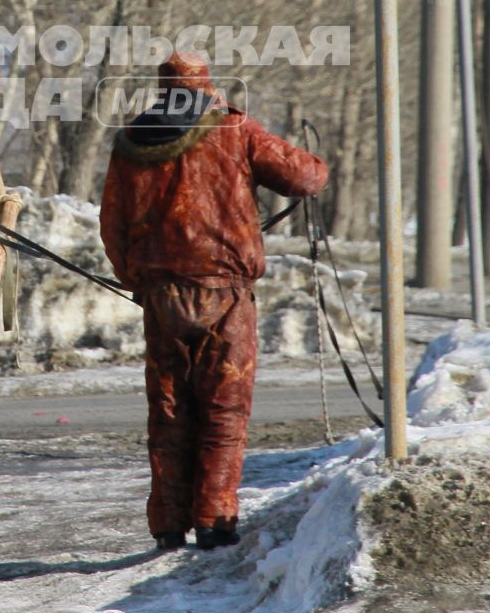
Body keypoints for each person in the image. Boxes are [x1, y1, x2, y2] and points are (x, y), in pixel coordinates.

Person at [99, 53, 328, 553]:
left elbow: (112, 224)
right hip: (225, 295)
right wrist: (315, 160)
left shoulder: (133, 140)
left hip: (161, 297)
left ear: (163, 89)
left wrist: (135, 279)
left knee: (169, 412)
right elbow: (307, 179)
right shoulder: (235, 129)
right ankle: (215, 520)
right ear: (207, 87)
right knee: (224, 411)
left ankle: (167, 524)